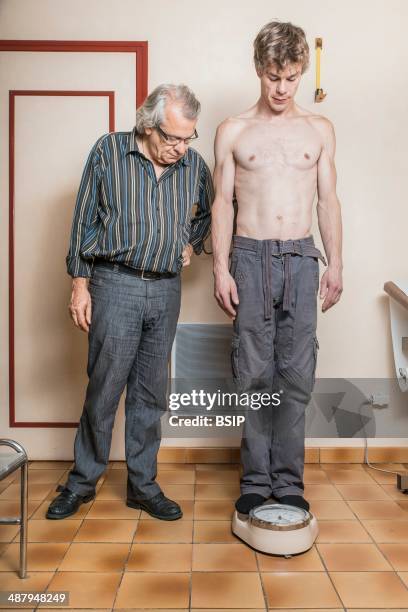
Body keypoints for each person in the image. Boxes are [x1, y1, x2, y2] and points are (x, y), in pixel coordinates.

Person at [47, 84, 213, 521]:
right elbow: (83, 219)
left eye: (187, 138)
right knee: (104, 388)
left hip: (165, 289)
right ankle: (82, 481)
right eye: (172, 138)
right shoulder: (108, 152)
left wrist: (191, 244)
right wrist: (80, 286)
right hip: (114, 283)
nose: (180, 148)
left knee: (149, 393)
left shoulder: (194, 165)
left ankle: (143, 485)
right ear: (148, 125)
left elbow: (210, 213)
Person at [212, 21, 343, 514]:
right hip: (248, 256)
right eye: (273, 76)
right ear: (259, 71)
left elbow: (328, 201)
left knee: (295, 373)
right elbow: (221, 203)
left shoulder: (319, 130)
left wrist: (336, 264)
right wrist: (220, 269)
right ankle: (256, 477)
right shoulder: (234, 131)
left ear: (301, 72)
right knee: (253, 372)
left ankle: (288, 481)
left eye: (290, 77)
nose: (282, 88)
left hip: (302, 258)